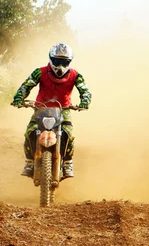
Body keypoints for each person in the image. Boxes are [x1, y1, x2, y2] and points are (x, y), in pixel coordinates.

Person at [11, 42, 92, 178]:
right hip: (41, 108)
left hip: (64, 110)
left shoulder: (75, 75)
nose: (60, 66)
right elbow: (26, 85)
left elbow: (85, 91)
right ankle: (29, 162)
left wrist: (85, 102)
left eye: (64, 62)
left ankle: (68, 163)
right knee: (29, 132)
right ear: (51, 59)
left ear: (69, 62)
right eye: (57, 61)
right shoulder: (39, 72)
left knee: (69, 134)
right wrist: (19, 98)